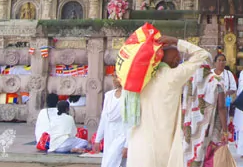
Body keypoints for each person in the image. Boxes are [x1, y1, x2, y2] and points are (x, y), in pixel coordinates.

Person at [126, 36, 211, 167]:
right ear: (176, 60)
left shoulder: (142, 79)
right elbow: (203, 55)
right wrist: (176, 41)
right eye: (178, 59)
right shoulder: (173, 77)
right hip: (162, 148)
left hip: (138, 145)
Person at [183, 55, 230, 167]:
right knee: (209, 155)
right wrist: (225, 130)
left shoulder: (189, 82)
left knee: (193, 154)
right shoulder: (216, 81)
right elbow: (221, 107)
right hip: (212, 126)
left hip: (191, 126)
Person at [96, 74, 128, 167]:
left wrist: (127, 145)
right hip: (109, 136)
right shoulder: (108, 95)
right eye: (114, 76)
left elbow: (130, 122)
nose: (115, 79)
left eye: (117, 76)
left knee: (110, 163)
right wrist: (98, 139)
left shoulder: (129, 96)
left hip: (123, 136)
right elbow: (104, 118)